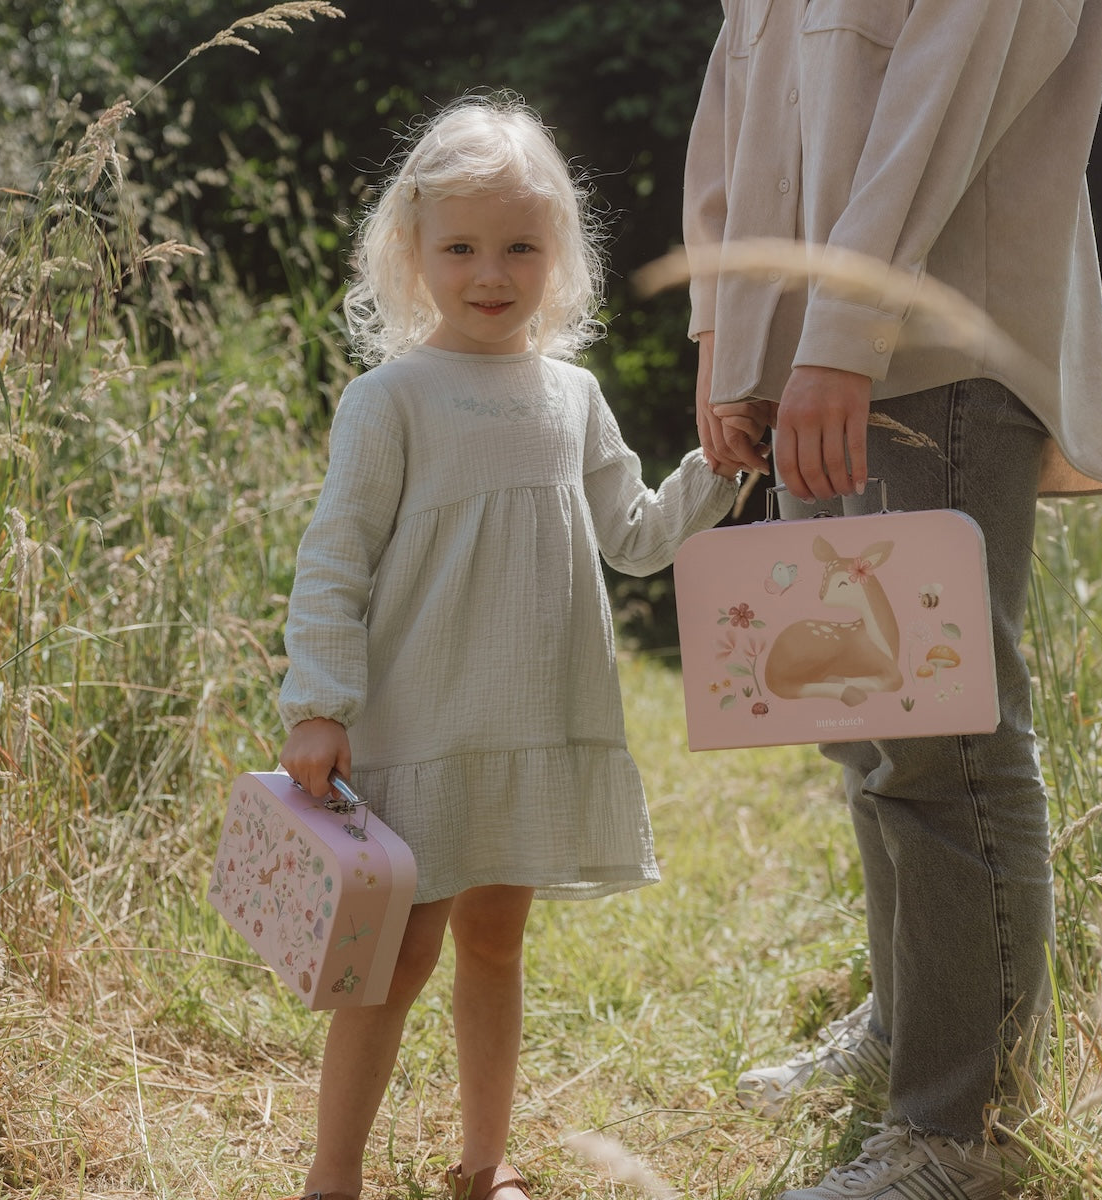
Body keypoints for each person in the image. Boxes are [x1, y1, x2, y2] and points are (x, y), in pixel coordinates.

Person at [683, 2, 1102, 1198]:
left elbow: (957, 72)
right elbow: (747, 78)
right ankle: (904, 1031)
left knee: (945, 742)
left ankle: (959, 1132)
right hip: (818, 342)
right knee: (868, 726)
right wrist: (733, 330)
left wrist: (845, 324)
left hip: (931, 338)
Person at [276, 95, 739, 1200]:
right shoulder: (390, 401)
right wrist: (318, 701)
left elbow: (633, 538)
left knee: (494, 941)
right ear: (413, 254)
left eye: (521, 246)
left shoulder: (572, 397)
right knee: (393, 960)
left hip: (530, 720)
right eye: (463, 248)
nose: (492, 272)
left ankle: (482, 1169)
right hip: (422, 723)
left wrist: (725, 467)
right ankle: (331, 1175)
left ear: (561, 257)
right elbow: (334, 560)